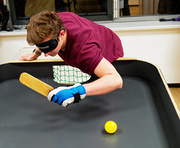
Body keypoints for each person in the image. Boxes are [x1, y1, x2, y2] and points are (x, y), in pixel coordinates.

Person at [19, 10, 124, 107]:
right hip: (96, 37)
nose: (46, 54)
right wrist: (36, 53)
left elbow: (116, 80)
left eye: (49, 47)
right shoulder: (53, 22)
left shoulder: (84, 50)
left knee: (103, 99)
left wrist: (76, 91)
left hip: (109, 50)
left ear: (61, 34)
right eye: (43, 48)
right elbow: (44, 39)